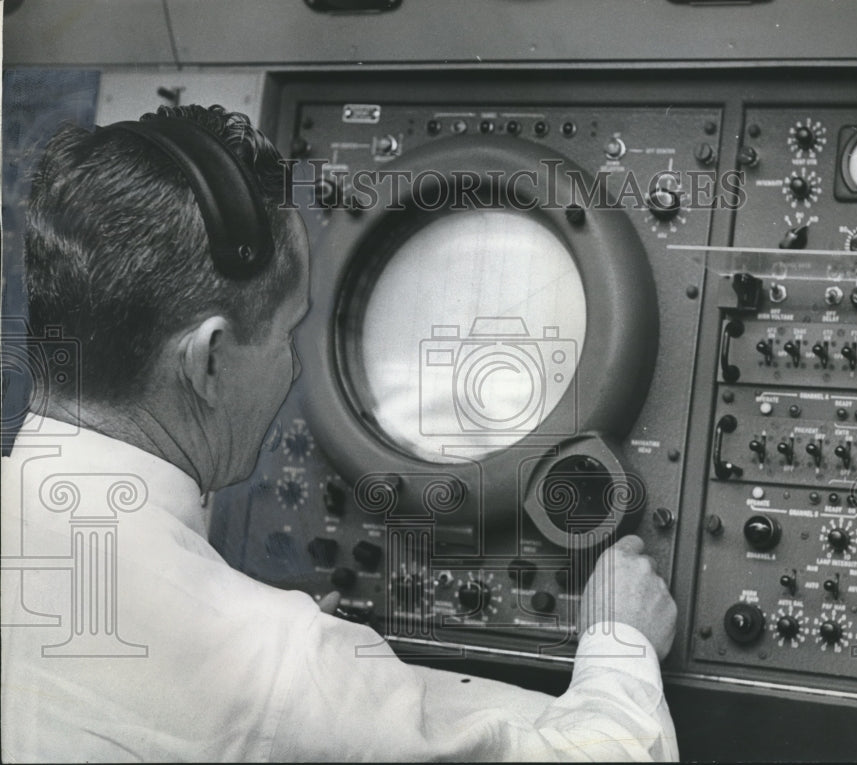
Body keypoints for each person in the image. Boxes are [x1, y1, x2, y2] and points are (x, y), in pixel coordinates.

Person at [0, 104, 679, 761]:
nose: (296, 364)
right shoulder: (280, 664)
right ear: (208, 360)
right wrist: (621, 640)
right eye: (289, 332)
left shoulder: (277, 661)